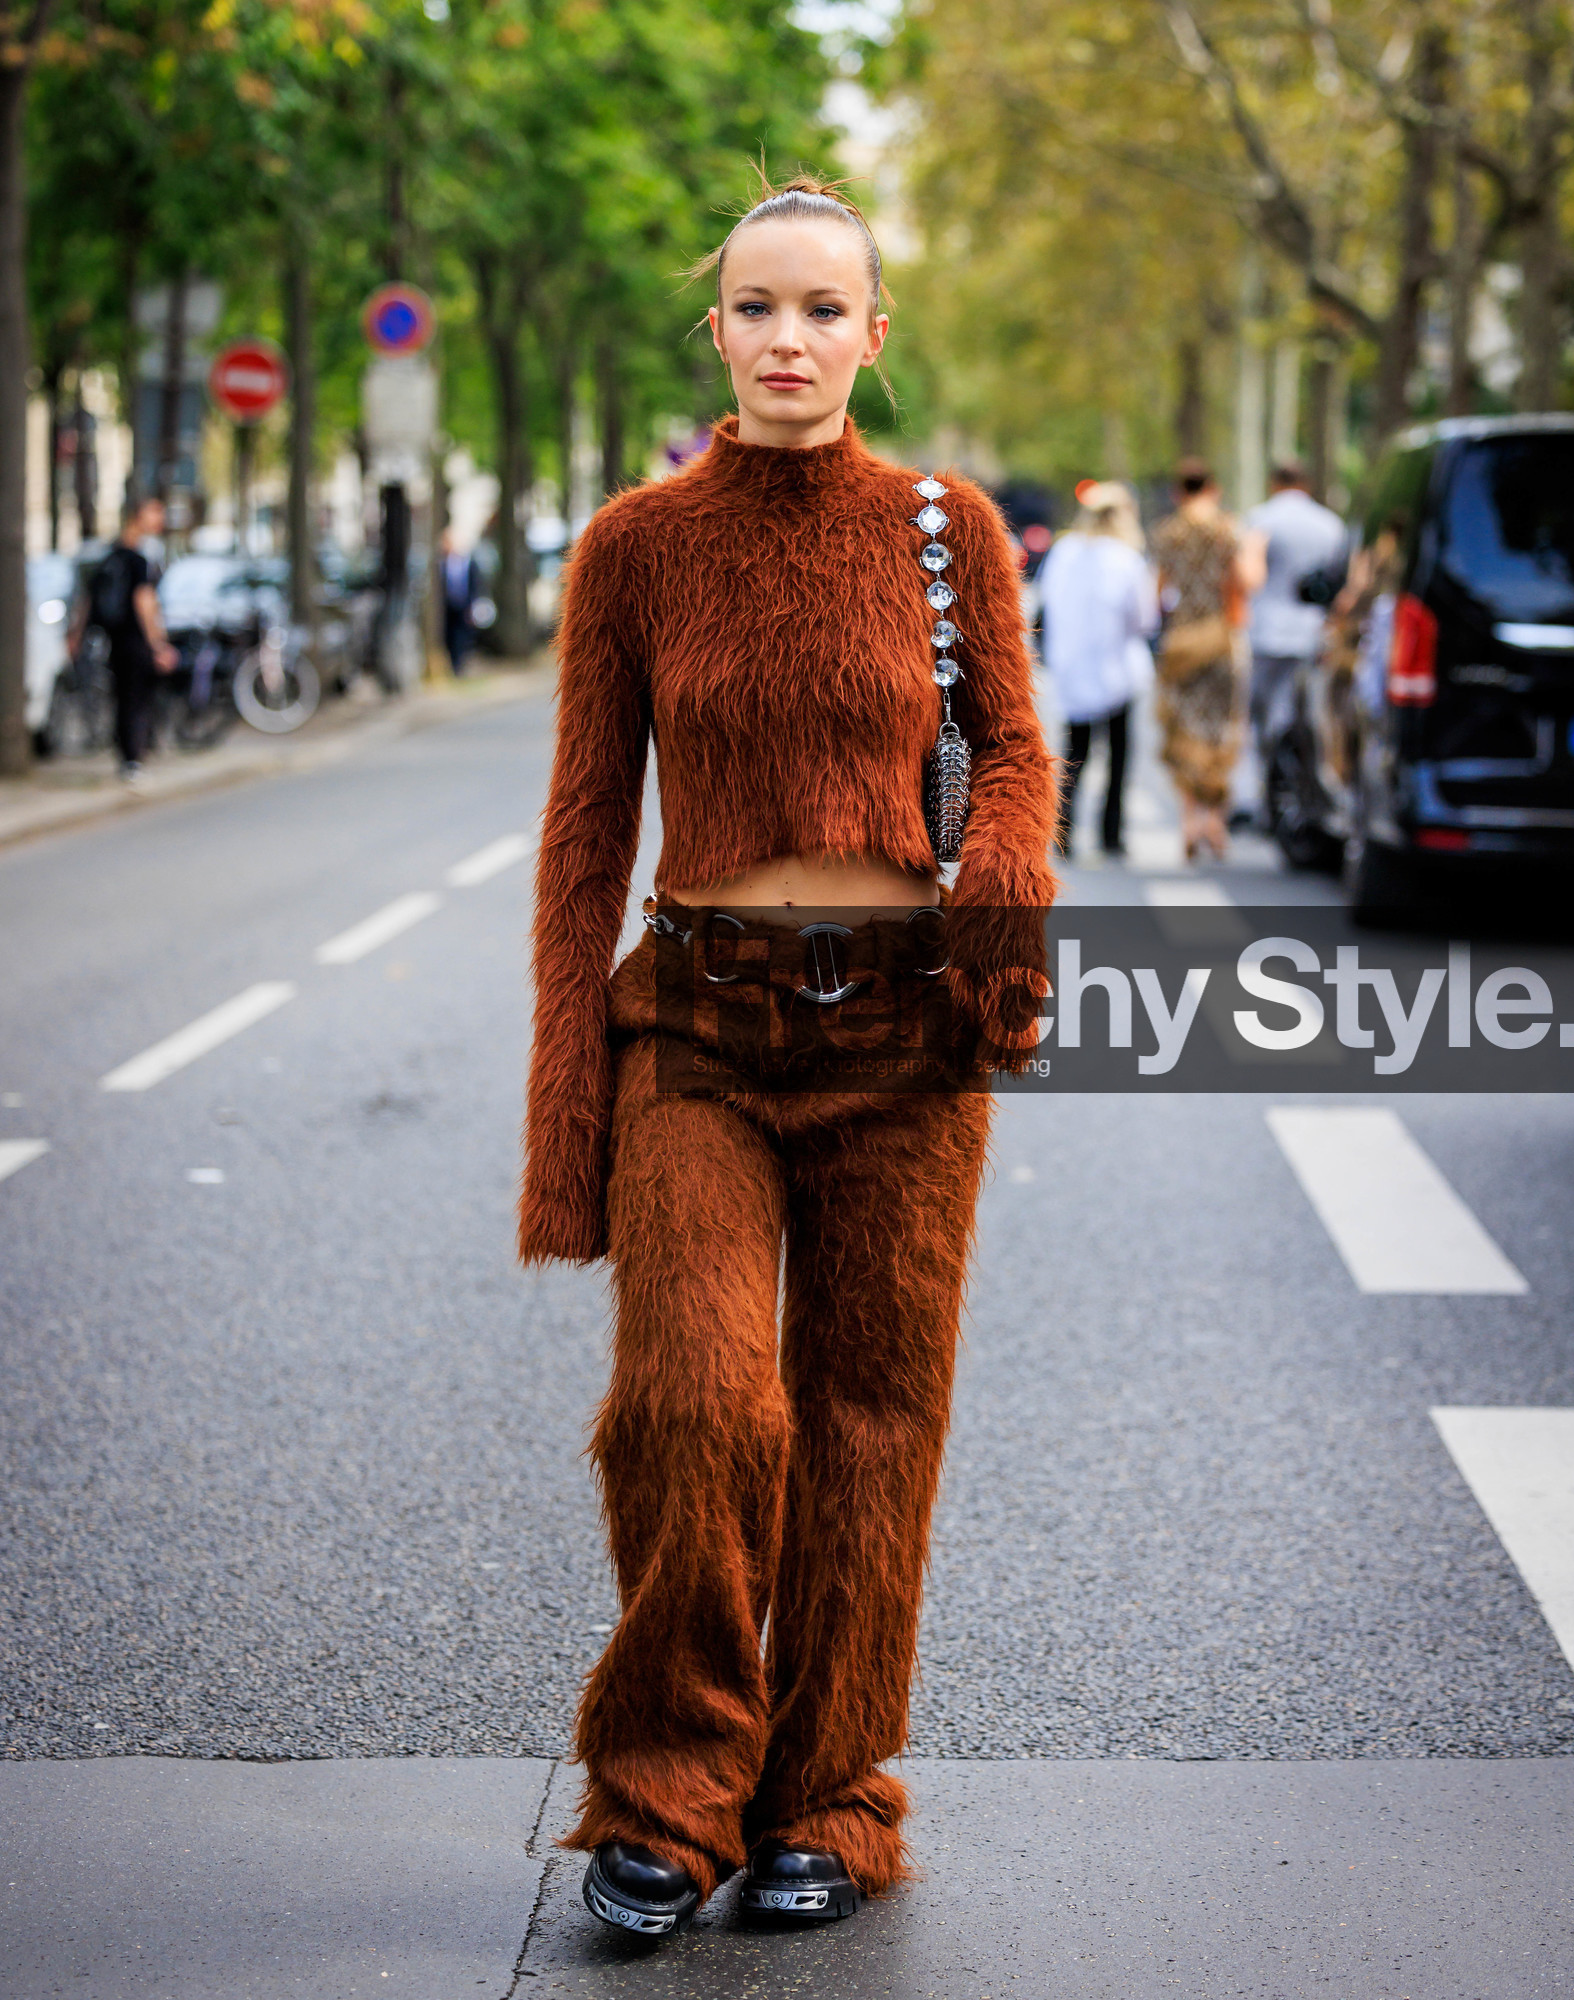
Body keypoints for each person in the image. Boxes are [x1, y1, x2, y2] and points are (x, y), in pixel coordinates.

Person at [519, 174, 1055, 1937]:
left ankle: (831, 1791)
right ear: (718, 331)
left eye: (825, 310)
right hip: (701, 1025)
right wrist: (563, 1111)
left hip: (905, 1039)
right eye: (758, 308)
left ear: (874, 338)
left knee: (869, 1423)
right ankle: (668, 1796)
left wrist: (1001, 893)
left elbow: (1018, 756)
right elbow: (585, 833)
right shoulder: (635, 546)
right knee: (692, 1401)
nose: (789, 341)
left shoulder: (943, 527)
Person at [1150, 460, 1265, 861]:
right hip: (1221, 642)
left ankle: (1188, 821)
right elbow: (1247, 583)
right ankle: (1214, 820)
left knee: (1183, 728)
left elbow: (1158, 593)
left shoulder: (1168, 533)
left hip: (1182, 644)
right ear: (1212, 488)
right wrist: (1256, 550)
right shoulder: (1227, 530)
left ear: (1177, 492)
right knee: (1221, 729)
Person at [1036, 480, 1157, 859]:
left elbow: (1047, 606)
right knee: (1119, 753)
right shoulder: (1128, 558)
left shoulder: (1064, 551)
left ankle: (1064, 831)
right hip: (1117, 668)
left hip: (1073, 668)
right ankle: (1111, 834)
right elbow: (1144, 619)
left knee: (1076, 754)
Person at [1242, 460, 1348, 808]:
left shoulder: (1259, 519)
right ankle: (1300, 790)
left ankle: (1264, 793)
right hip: (1311, 634)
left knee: (1258, 714)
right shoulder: (1330, 525)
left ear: (1275, 483)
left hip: (1264, 631)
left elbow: (1246, 575)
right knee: (1301, 715)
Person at [78, 496, 177, 783]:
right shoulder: (138, 559)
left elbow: (88, 598)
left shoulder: (109, 555)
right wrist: (158, 643)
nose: (160, 519)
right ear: (138, 516)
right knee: (137, 698)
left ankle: (128, 755)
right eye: (154, 512)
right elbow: (144, 602)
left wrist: (76, 634)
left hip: (114, 638)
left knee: (123, 696)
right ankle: (134, 759)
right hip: (136, 639)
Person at [439, 531, 483, 675]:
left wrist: (472, 605)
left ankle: (460, 666)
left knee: (462, 635)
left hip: (463, 604)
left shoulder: (468, 562)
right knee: (450, 636)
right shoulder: (442, 564)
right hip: (448, 606)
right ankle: (454, 665)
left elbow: (475, 584)